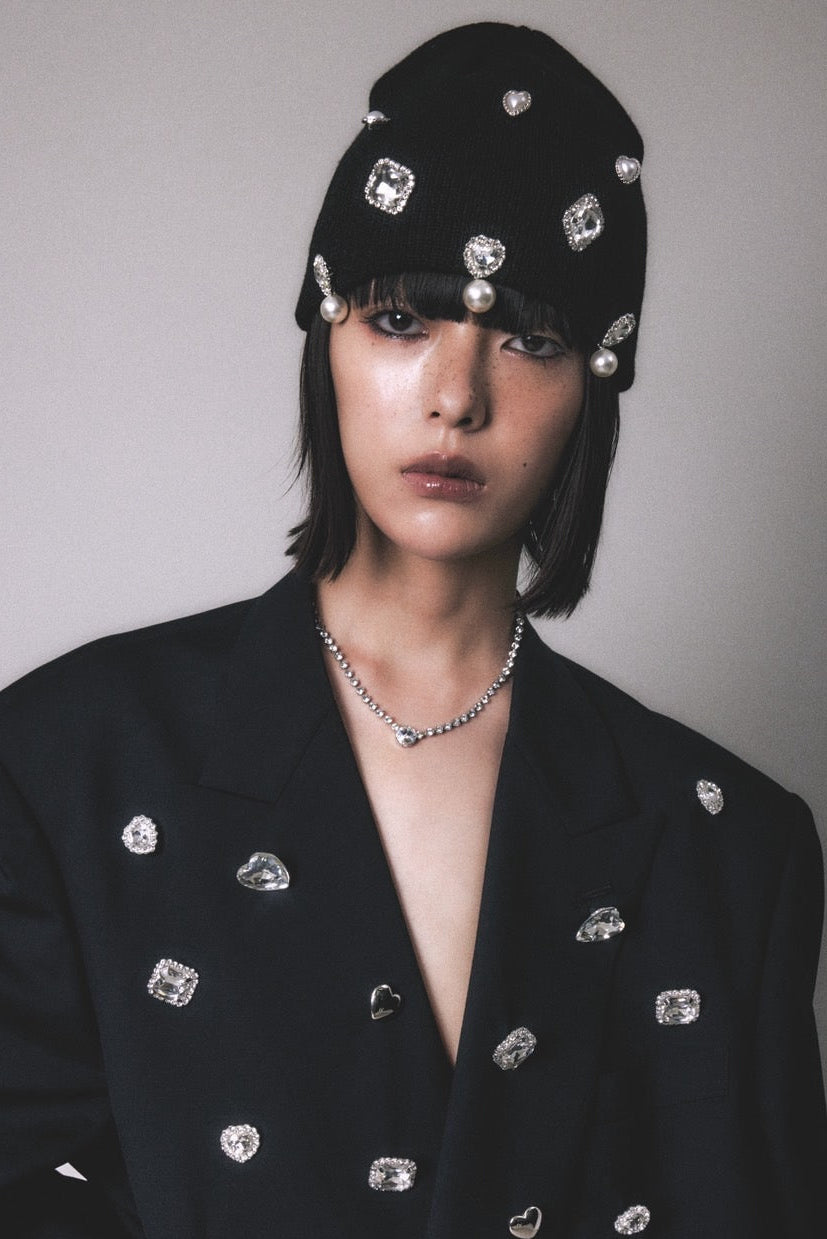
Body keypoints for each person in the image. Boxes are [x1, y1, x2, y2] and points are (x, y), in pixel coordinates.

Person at [1, 20, 825, 1239]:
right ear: (325, 334)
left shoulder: (729, 850)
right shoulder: (69, 765)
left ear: (593, 381)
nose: (455, 395)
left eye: (529, 339)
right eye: (400, 321)